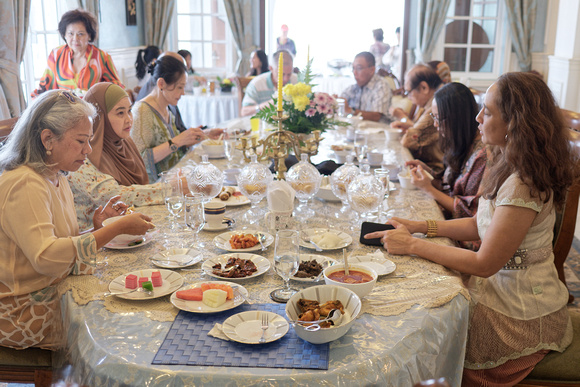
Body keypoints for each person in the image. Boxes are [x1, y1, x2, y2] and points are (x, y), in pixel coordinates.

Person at [366, 72, 577, 386]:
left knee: (425, 336)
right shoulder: (508, 162)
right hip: (503, 292)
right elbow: (481, 225)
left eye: (488, 112)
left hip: (521, 314)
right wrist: (421, 226)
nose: (479, 117)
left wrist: (412, 245)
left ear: (517, 123)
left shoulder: (524, 184)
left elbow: (485, 263)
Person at [0, 90, 154, 349]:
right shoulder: (24, 183)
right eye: (81, 141)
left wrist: (97, 228)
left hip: (48, 291)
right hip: (22, 310)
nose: (89, 150)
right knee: (122, 325)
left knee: (133, 298)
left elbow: (60, 246)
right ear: (48, 139)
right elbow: (46, 257)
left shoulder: (55, 176)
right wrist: (113, 230)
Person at [68, 82, 182, 229]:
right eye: (120, 113)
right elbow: (116, 195)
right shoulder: (81, 155)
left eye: (129, 111)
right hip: (94, 242)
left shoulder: (125, 144)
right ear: (99, 117)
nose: (129, 119)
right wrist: (170, 189)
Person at [405, 82, 487, 250]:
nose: (435, 124)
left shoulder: (483, 155)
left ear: (456, 118)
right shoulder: (462, 141)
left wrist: (429, 189)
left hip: (468, 239)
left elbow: (470, 213)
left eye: (438, 118)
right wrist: (429, 173)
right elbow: (452, 185)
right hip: (451, 222)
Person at [131, 55, 222, 182]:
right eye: (179, 87)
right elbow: (139, 160)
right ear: (161, 83)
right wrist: (178, 141)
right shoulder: (142, 112)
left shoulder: (167, 107)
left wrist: (204, 134)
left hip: (178, 178)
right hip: (159, 188)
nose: (183, 93)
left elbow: (174, 146)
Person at [31, 9, 124, 98]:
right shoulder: (56, 55)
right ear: (64, 34)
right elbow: (44, 88)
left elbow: (116, 88)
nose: (75, 39)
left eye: (80, 34)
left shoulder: (101, 57)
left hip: (93, 110)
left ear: (89, 35)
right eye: (70, 33)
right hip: (64, 110)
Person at [393, 64, 444, 175]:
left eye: (408, 92)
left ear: (424, 88)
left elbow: (408, 140)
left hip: (435, 171)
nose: (408, 97)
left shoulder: (435, 107)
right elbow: (417, 128)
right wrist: (409, 126)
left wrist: (402, 117)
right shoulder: (427, 104)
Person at [240, 50, 297, 117]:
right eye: (282, 74)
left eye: (289, 74)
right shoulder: (257, 83)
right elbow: (244, 112)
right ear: (271, 68)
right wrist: (266, 105)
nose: (286, 79)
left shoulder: (296, 80)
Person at [339, 51, 393, 123]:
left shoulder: (381, 85)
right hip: (359, 130)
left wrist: (350, 110)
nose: (354, 72)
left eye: (358, 68)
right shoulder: (354, 87)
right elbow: (342, 100)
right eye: (353, 68)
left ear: (372, 70)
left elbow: (376, 116)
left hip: (378, 131)